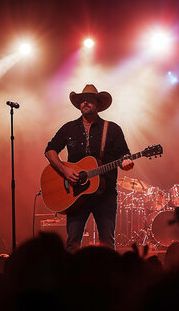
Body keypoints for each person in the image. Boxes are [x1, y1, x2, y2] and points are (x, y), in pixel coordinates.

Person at [45, 84, 134, 252]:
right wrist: (65, 170)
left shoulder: (112, 129)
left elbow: (124, 154)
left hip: (105, 195)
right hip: (76, 195)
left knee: (107, 244)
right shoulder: (69, 128)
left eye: (89, 100)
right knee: (72, 244)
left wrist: (126, 161)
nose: (85, 102)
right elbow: (50, 151)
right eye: (82, 100)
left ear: (98, 104)